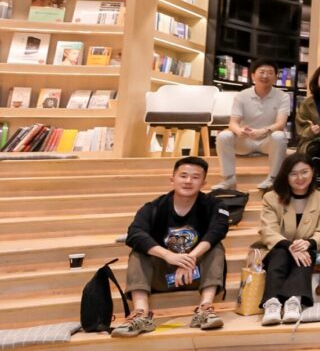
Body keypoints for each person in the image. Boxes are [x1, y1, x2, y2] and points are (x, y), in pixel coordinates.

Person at [113, 157, 229, 337]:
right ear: (172, 179)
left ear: (204, 183)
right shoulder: (154, 207)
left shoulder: (214, 205)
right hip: (162, 276)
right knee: (139, 251)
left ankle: (205, 309)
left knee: (216, 247)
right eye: (183, 176)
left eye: (195, 177)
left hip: (195, 274)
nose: (188, 181)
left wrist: (190, 258)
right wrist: (169, 256)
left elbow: (218, 230)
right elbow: (134, 233)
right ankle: (141, 314)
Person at [258, 154, 320, 325]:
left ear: (312, 172)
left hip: (305, 248)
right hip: (278, 247)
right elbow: (267, 230)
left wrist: (308, 242)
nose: (300, 178)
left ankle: (294, 301)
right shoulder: (271, 197)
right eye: (293, 173)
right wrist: (289, 245)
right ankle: (272, 303)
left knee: (306, 254)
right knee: (281, 254)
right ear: (285, 175)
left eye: (304, 172)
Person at [216, 59, 290, 191]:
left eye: (270, 73)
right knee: (224, 136)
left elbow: (281, 123)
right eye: (262, 72)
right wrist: (239, 131)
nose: (265, 76)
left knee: (279, 136)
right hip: (245, 141)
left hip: (268, 141)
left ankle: (273, 179)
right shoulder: (242, 96)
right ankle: (229, 179)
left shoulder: (283, 96)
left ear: (275, 77)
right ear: (253, 75)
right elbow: (233, 123)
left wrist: (263, 131)